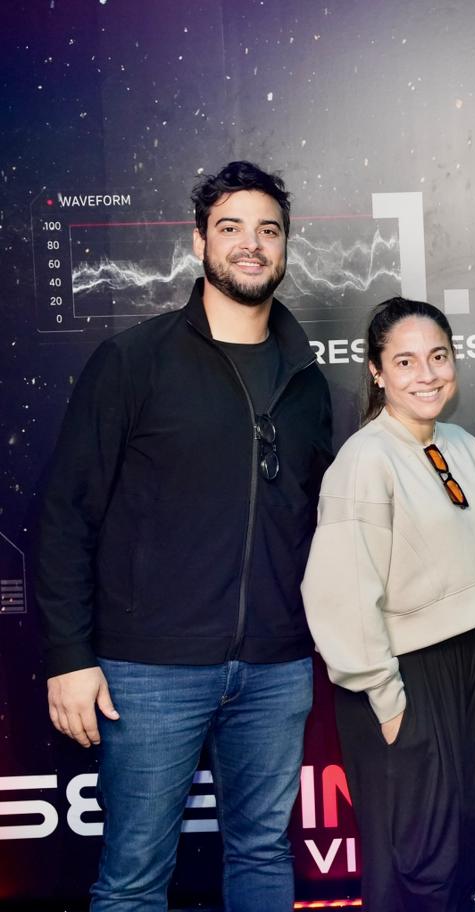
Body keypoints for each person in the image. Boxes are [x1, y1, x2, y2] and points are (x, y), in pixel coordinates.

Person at [36, 161, 333, 911]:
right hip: (148, 670)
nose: (251, 244)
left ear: (285, 247)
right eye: (231, 228)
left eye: (268, 230)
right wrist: (70, 657)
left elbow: (315, 522)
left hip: (275, 666)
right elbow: (66, 515)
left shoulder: (307, 379)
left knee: (263, 854)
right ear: (199, 242)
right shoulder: (133, 361)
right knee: (135, 877)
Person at [301, 297, 475, 912]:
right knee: (418, 857)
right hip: (403, 674)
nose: (426, 374)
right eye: (404, 361)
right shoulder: (364, 459)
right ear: (377, 372)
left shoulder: (463, 445)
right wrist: (386, 697)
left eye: (438, 357)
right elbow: (340, 591)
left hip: (474, 667)